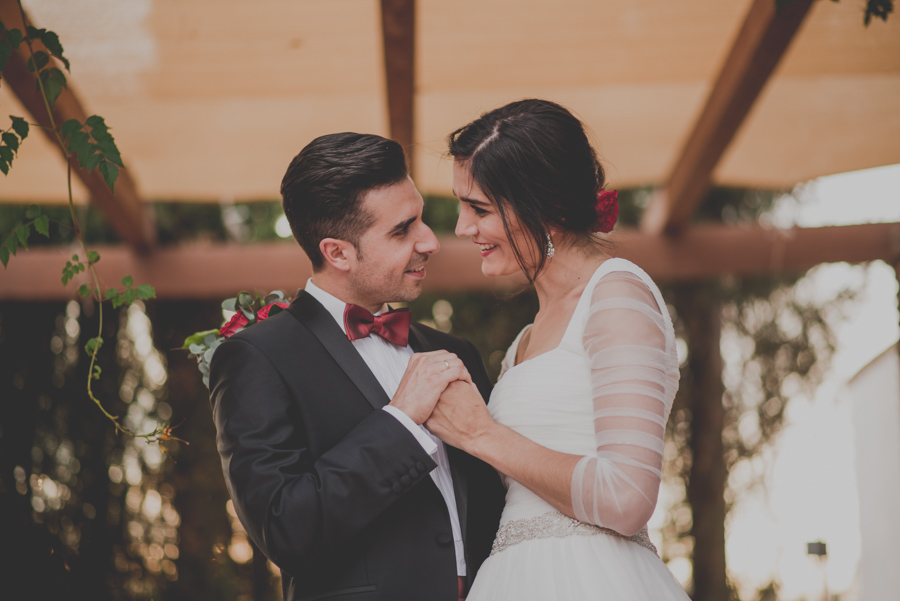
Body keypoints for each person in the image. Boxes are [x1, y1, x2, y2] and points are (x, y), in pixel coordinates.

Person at [208, 132, 504, 601]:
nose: (430, 241)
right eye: (402, 230)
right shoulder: (256, 358)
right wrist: (401, 421)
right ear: (338, 252)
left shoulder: (456, 353)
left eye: (421, 218)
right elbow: (286, 529)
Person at [424, 99, 690, 599]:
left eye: (478, 208)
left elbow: (627, 496)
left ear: (540, 206)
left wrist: (482, 434)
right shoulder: (525, 340)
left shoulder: (616, 296)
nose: (462, 228)